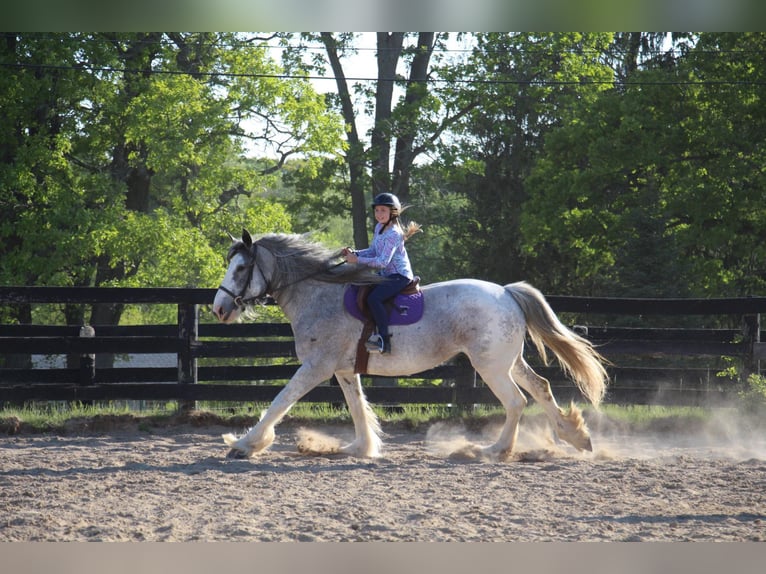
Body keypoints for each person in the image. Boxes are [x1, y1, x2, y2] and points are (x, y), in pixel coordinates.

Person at [343, 192, 421, 354]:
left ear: (393, 213)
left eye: (383, 211)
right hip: (387, 274)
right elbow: (373, 250)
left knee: (374, 298)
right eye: (377, 210)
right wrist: (355, 253)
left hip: (399, 276)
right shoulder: (379, 228)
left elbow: (382, 261)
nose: (379, 214)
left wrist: (356, 260)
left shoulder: (394, 234)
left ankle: (384, 341)